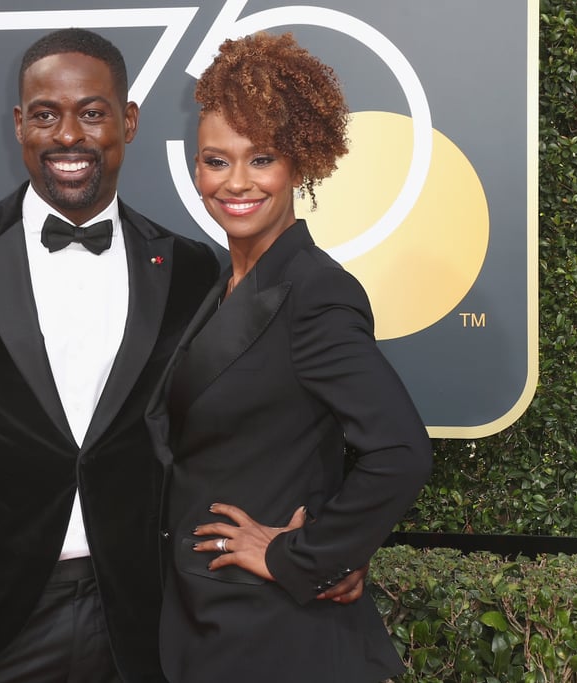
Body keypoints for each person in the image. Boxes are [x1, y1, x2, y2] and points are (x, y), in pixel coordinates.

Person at [0, 28, 223, 682]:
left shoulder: (191, 269)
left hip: (142, 623)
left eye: (92, 111)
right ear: (21, 125)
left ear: (128, 121)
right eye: (46, 114)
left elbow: (226, 432)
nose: (68, 136)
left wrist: (313, 541)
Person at [145, 32, 433, 682]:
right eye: (216, 161)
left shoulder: (315, 292)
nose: (236, 183)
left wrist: (302, 555)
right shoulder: (214, 286)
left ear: (298, 164)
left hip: (273, 635)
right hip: (201, 623)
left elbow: (401, 451)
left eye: (262, 158)